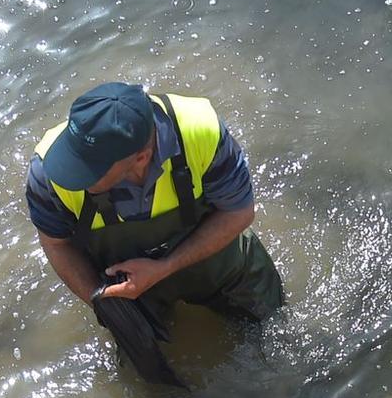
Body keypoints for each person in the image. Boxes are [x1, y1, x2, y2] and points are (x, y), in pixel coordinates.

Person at [27, 83, 286, 345]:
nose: (70, 175)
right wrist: (104, 302)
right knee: (147, 379)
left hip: (221, 266)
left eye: (89, 169)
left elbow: (239, 212)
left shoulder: (200, 131)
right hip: (132, 293)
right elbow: (55, 244)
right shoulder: (46, 170)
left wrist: (166, 267)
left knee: (279, 338)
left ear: (141, 158)